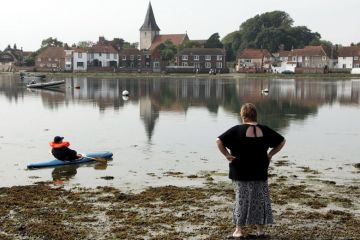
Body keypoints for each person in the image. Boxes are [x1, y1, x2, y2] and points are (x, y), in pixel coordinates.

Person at [216, 103, 285, 238]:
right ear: (255, 115)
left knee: (241, 200)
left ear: (243, 116)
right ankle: (260, 231)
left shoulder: (236, 130)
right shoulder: (264, 130)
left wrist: (226, 155)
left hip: (239, 172)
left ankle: (239, 230)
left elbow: (219, 141)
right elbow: (282, 141)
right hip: (259, 171)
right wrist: (270, 154)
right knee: (260, 200)